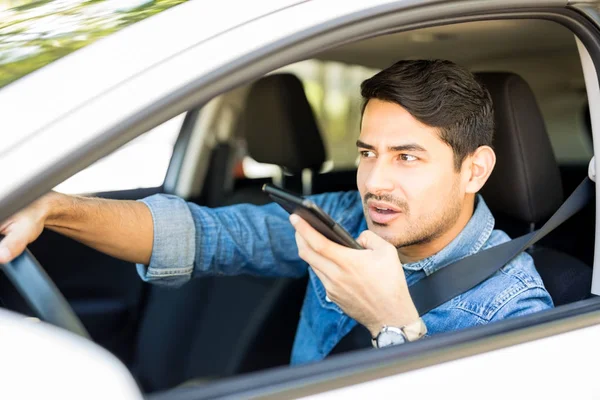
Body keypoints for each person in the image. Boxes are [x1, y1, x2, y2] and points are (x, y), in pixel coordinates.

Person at [0, 59, 553, 364]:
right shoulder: (345, 220)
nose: (375, 182)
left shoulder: (516, 307)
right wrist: (54, 208)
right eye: (367, 153)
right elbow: (205, 235)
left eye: (408, 157)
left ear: (475, 170)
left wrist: (389, 324)